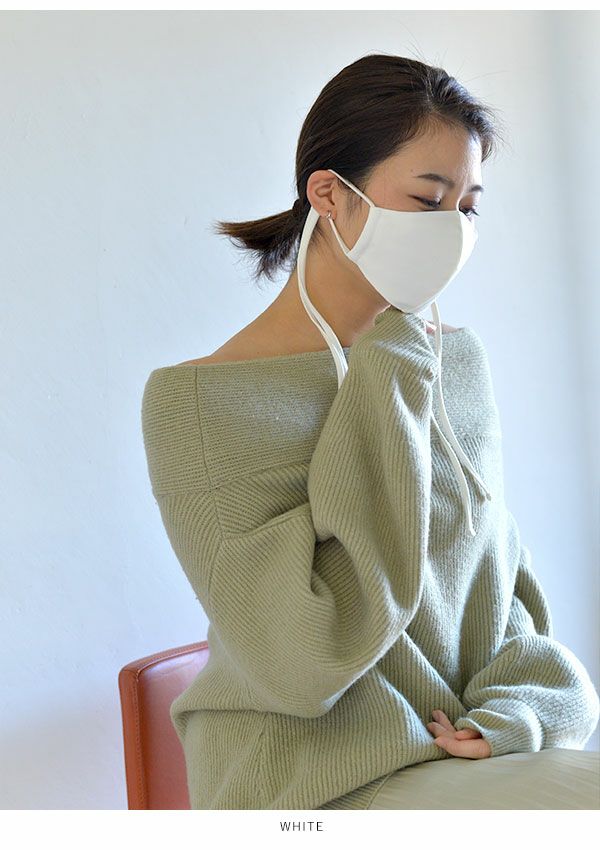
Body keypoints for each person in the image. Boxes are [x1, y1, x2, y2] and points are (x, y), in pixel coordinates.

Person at [141, 53, 600, 810]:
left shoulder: (454, 363)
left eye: (468, 206)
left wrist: (523, 708)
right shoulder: (199, 403)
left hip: (461, 759)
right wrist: (390, 359)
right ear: (330, 193)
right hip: (311, 784)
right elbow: (301, 659)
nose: (451, 229)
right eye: (427, 199)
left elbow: (499, 592)